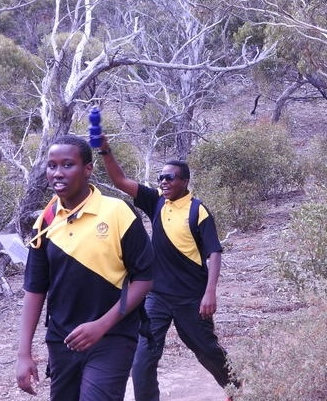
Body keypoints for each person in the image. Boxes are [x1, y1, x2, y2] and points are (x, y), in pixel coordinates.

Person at [96, 135, 238, 401]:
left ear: (184, 181)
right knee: (142, 359)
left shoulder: (198, 211)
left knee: (206, 350)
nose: (163, 182)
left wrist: (210, 293)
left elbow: (214, 253)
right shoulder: (156, 201)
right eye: (161, 177)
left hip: (191, 298)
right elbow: (120, 181)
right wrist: (105, 150)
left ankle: (236, 389)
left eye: (169, 178)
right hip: (156, 296)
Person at [16, 135, 154, 400]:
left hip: (113, 336)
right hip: (62, 341)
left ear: (88, 169)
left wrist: (102, 325)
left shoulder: (117, 212)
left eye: (68, 165)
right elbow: (35, 289)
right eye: (52, 165)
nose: (58, 173)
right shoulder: (45, 221)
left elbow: (145, 279)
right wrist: (24, 354)